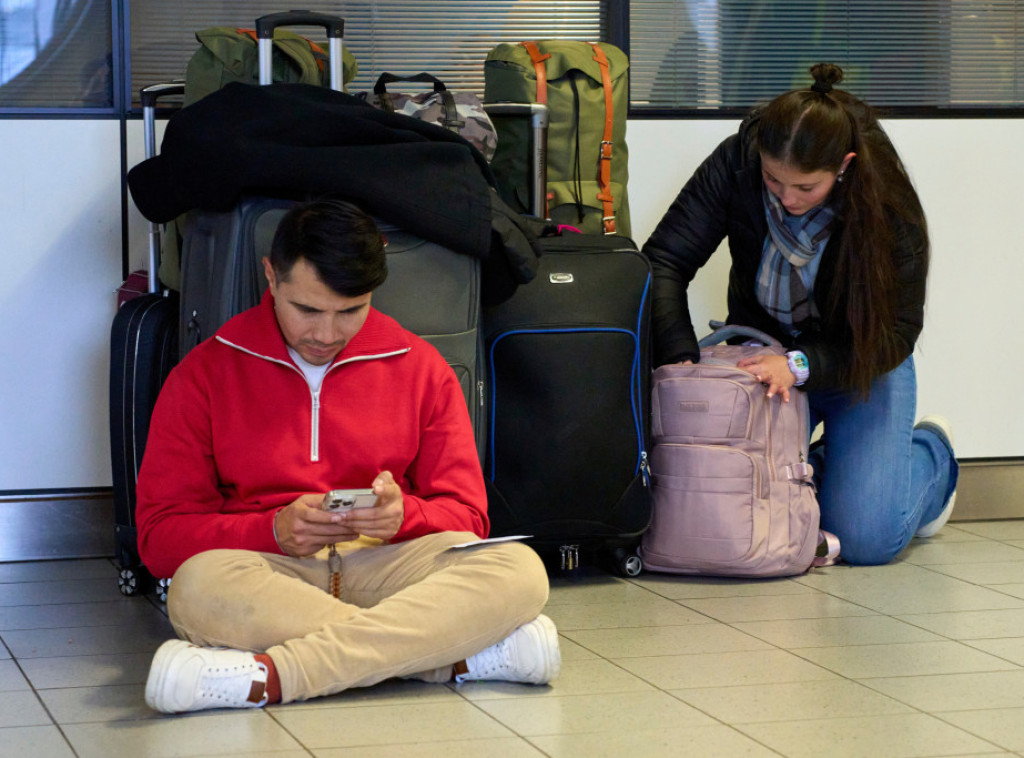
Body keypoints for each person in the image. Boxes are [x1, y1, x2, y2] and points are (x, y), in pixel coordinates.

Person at [136, 197, 560, 713]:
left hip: (391, 566)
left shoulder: (423, 369)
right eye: (308, 310)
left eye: (350, 311)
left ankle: (270, 678)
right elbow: (159, 538)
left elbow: (469, 517)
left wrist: (405, 517)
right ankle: (448, 660)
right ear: (271, 276)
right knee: (196, 587)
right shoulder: (205, 373)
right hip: (270, 571)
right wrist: (272, 530)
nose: (326, 335)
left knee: (518, 570)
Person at [643, 63, 958, 566]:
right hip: (763, 355)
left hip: (861, 359)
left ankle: (931, 454)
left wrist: (800, 364)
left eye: (806, 188)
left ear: (844, 166)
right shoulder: (737, 161)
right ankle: (835, 468)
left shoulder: (886, 201)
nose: (787, 198)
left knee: (867, 541)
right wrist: (679, 355)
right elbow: (664, 260)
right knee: (736, 502)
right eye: (773, 179)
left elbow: (897, 331)